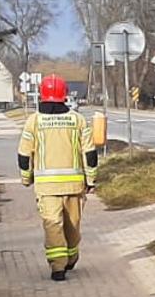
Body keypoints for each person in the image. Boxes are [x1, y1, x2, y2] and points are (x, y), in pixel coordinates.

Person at [17, 75, 101, 281]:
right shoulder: (77, 120)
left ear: (41, 95)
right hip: (74, 185)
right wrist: (91, 180)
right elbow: (89, 153)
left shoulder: (34, 121)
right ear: (65, 96)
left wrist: (26, 178)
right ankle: (71, 257)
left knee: (53, 224)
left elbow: (24, 154)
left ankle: (58, 267)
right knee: (72, 224)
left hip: (47, 188)